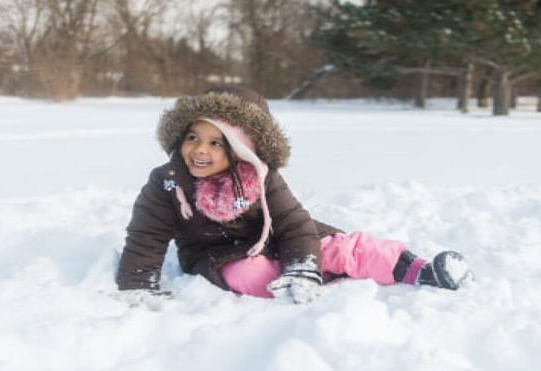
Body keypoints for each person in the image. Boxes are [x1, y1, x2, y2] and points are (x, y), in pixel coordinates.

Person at [116, 85, 473, 304]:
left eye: (215, 144)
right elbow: (146, 236)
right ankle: (306, 279)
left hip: (278, 237)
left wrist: (303, 261)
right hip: (217, 254)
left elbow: (294, 223)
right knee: (250, 276)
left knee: (341, 247)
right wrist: (137, 283)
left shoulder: (262, 177)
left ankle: (418, 270)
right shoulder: (167, 181)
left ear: (243, 151)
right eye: (193, 138)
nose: (199, 151)